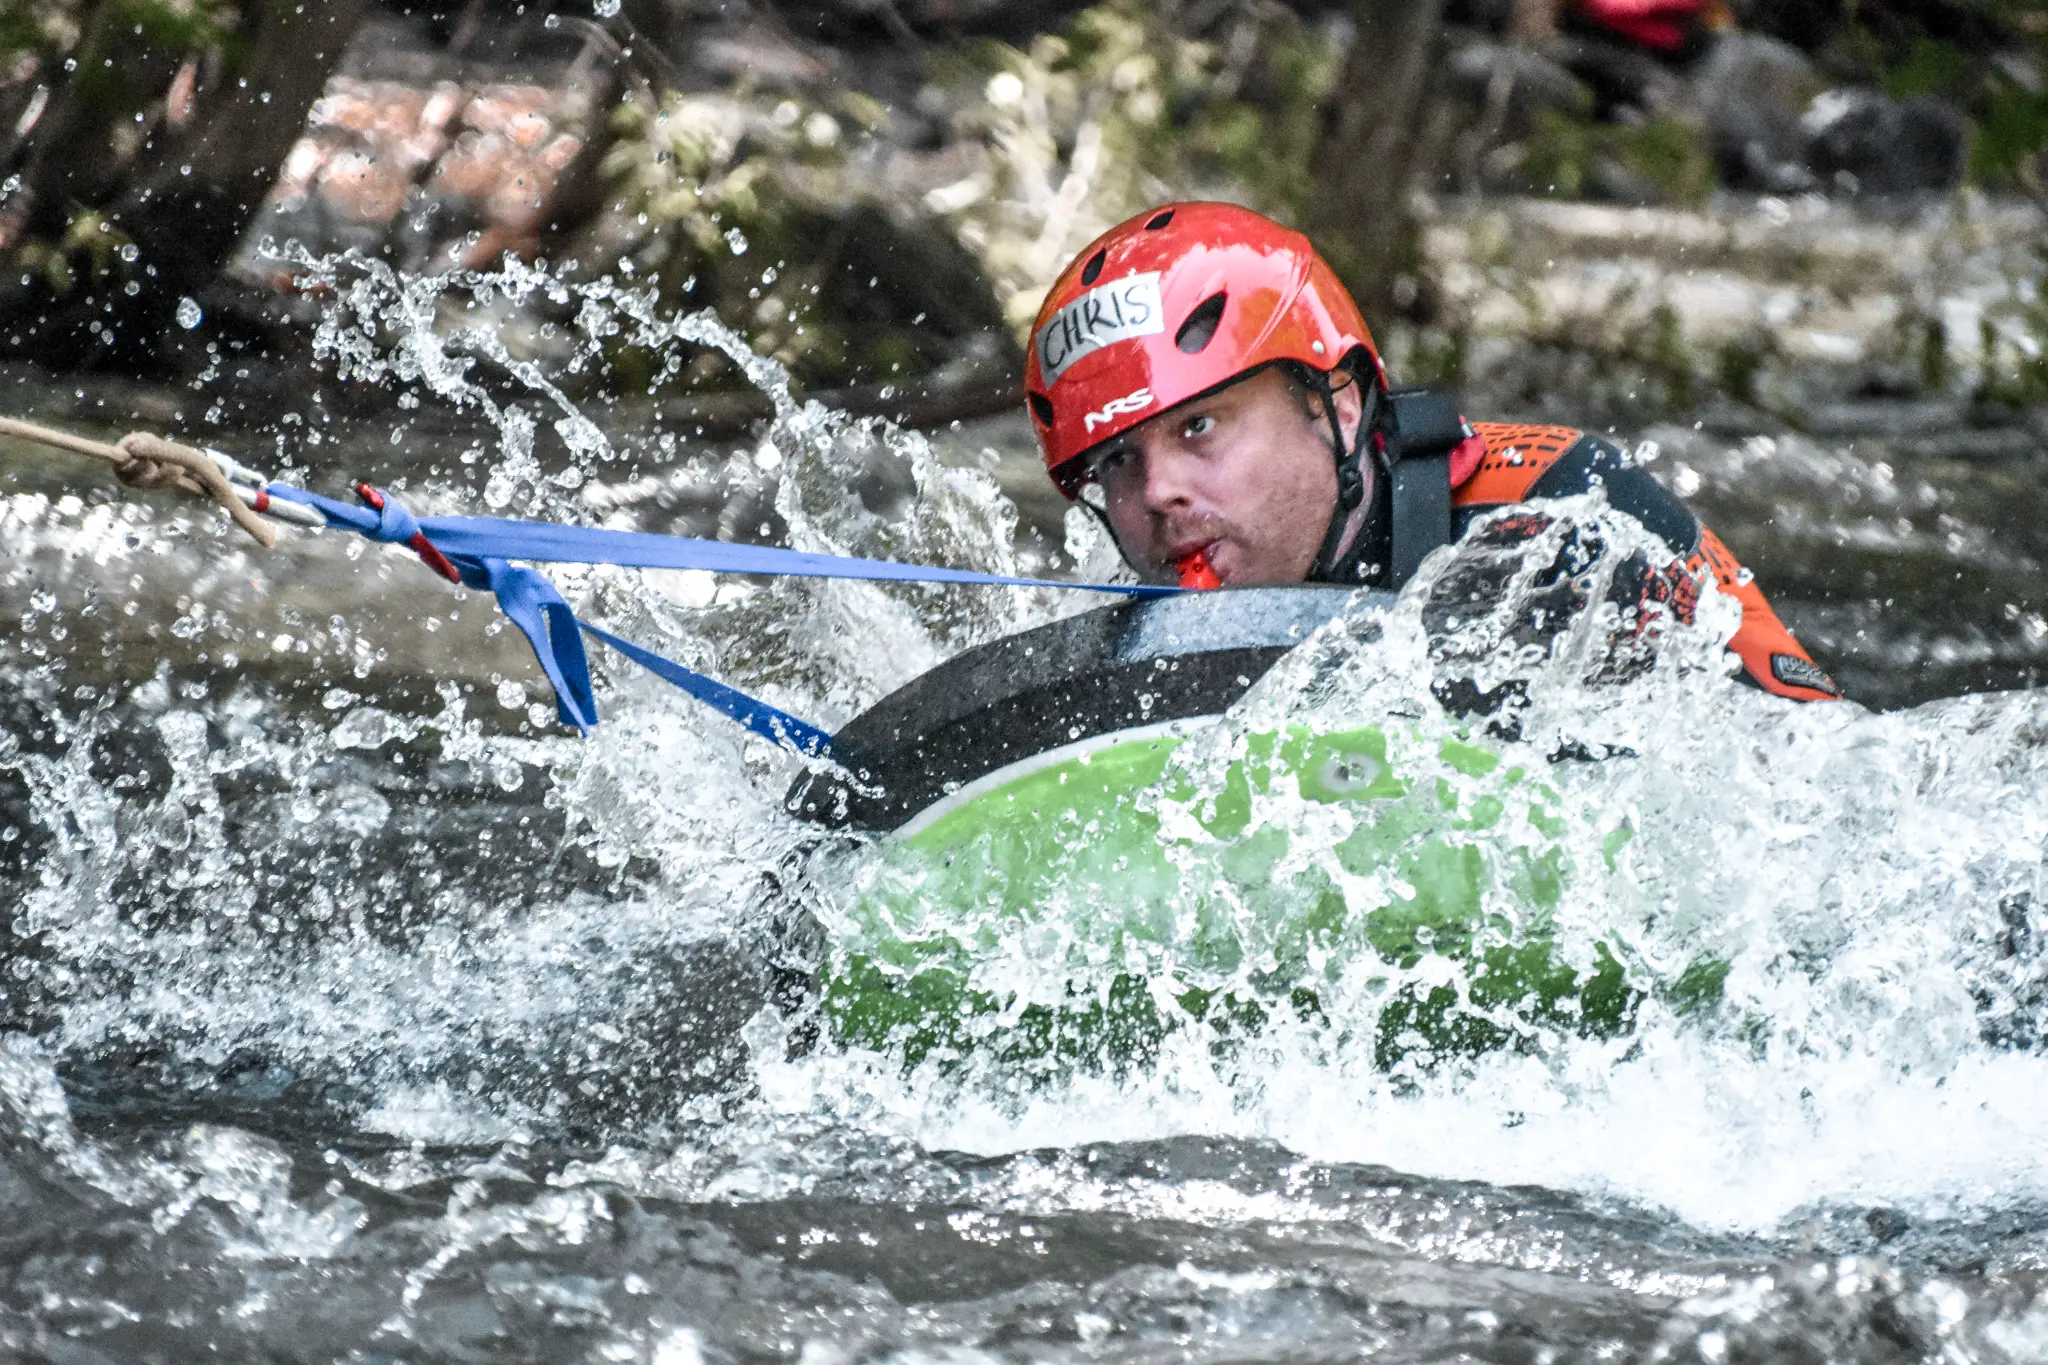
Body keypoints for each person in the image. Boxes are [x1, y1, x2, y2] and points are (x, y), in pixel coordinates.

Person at [1022, 200, 1840, 702]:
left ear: (1336, 405)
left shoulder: (1563, 514)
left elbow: (1814, 762)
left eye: (1198, 427)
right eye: (1118, 464)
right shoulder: (1133, 641)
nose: (1158, 490)